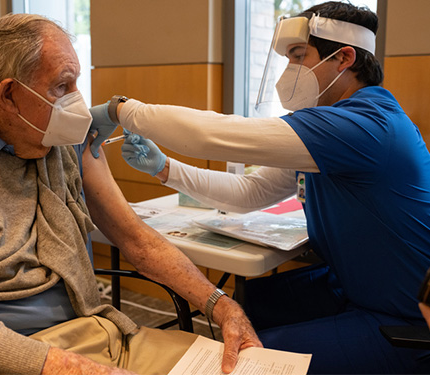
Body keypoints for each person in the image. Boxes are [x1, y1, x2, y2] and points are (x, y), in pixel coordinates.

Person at [0, 13, 262, 375]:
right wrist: (64, 366)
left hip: (94, 330)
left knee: (247, 367)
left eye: (77, 83)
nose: (77, 102)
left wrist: (222, 306)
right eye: (62, 86)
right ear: (9, 94)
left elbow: (137, 239)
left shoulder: (59, 138)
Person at [89, 1, 430, 373]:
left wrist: (120, 109)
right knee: (249, 303)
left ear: (345, 58)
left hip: (407, 317)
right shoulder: (335, 126)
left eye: (298, 55)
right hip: (357, 287)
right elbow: (251, 193)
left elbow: (211, 134)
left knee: (252, 362)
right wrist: (165, 168)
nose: (290, 70)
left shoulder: (365, 125)